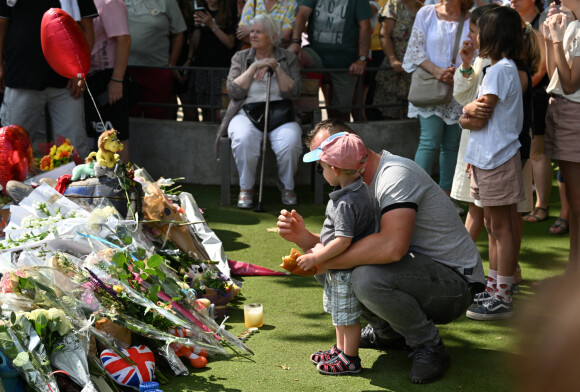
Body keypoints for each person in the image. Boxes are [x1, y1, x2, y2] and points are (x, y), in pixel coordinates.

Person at [278, 118, 484, 384]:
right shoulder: (354, 186)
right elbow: (355, 245)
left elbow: (391, 246)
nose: (323, 167)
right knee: (327, 268)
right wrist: (306, 239)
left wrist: (323, 258)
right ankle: (388, 333)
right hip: (419, 274)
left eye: (325, 161)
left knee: (363, 276)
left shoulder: (395, 174)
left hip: (456, 285)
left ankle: (428, 345)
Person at [459, 6, 526, 320]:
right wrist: (468, 114)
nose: (474, 34)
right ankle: (496, 285)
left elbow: (479, 113)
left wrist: (466, 111)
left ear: (493, 36)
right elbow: (474, 116)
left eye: (479, 29)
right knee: (493, 225)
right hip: (488, 158)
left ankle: (503, 293)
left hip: (497, 158)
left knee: (500, 227)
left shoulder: (500, 70)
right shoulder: (500, 68)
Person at [298, 132, 376, 375]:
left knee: (347, 316)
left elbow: (343, 241)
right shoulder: (356, 191)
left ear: (335, 169)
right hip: (340, 269)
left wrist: (317, 257)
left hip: (345, 270)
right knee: (338, 313)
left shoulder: (345, 202)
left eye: (322, 167)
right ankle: (341, 350)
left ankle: (350, 359)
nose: (321, 172)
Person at [215, 13, 303, 209]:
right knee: (243, 138)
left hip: (281, 113)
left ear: (273, 37)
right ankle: (246, 188)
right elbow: (234, 91)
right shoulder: (241, 57)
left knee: (290, 142)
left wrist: (276, 67)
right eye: (252, 31)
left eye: (259, 32)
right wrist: (254, 66)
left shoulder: (288, 58)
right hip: (246, 112)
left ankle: (286, 184)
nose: (253, 35)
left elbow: (295, 92)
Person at [0, 0, 97, 159]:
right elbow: (1, 24)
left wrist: (79, 71)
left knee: (75, 151)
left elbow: (87, 29)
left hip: (67, 84)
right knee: (13, 150)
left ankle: (75, 184)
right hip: (21, 78)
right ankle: (11, 185)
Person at [402, 0, 471, 202]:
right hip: (430, 86)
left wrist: (459, 74)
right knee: (429, 141)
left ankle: (445, 199)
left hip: (461, 88)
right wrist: (438, 72)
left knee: (452, 144)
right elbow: (415, 50)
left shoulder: (472, 17)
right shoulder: (426, 13)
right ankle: (414, 198)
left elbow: (477, 52)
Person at [288, 0, 372, 122]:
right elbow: (302, 14)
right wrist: (296, 42)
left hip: (345, 61)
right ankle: (304, 110)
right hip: (316, 53)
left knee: (342, 112)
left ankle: (341, 138)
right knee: (296, 57)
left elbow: (365, 27)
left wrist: (362, 58)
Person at [543, 1, 580, 274]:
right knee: (575, 204)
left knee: (577, 203)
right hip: (561, 109)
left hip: (573, 113)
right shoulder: (572, 25)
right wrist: (548, 38)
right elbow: (552, 74)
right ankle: (572, 274)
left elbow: (569, 83)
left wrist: (555, 39)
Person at [514, 0, 553, 224]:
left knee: (537, 152)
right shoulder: (510, 23)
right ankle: (526, 202)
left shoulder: (542, 23)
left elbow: (542, 68)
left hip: (536, 96)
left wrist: (519, 88)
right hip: (519, 96)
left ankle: (542, 205)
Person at [84, 0, 132, 163]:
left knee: (114, 138)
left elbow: (124, 40)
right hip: (92, 78)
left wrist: (116, 80)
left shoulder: (109, 2)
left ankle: (123, 184)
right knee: (96, 135)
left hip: (109, 77)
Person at [125, 0, 187, 119]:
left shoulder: (168, 2)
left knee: (157, 116)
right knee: (129, 117)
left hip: (157, 70)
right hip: (126, 70)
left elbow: (179, 33)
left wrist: (171, 65)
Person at [188, 0, 238, 122]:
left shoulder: (229, 12)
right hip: (202, 67)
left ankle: (220, 138)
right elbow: (194, 45)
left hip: (221, 68)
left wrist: (212, 25)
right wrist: (197, 27)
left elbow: (230, 43)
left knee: (219, 114)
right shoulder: (199, 11)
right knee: (205, 111)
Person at [373, 0, 422, 120]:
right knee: (390, 115)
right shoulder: (393, 5)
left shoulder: (427, 8)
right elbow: (384, 34)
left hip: (420, 70)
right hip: (396, 71)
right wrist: (393, 59)